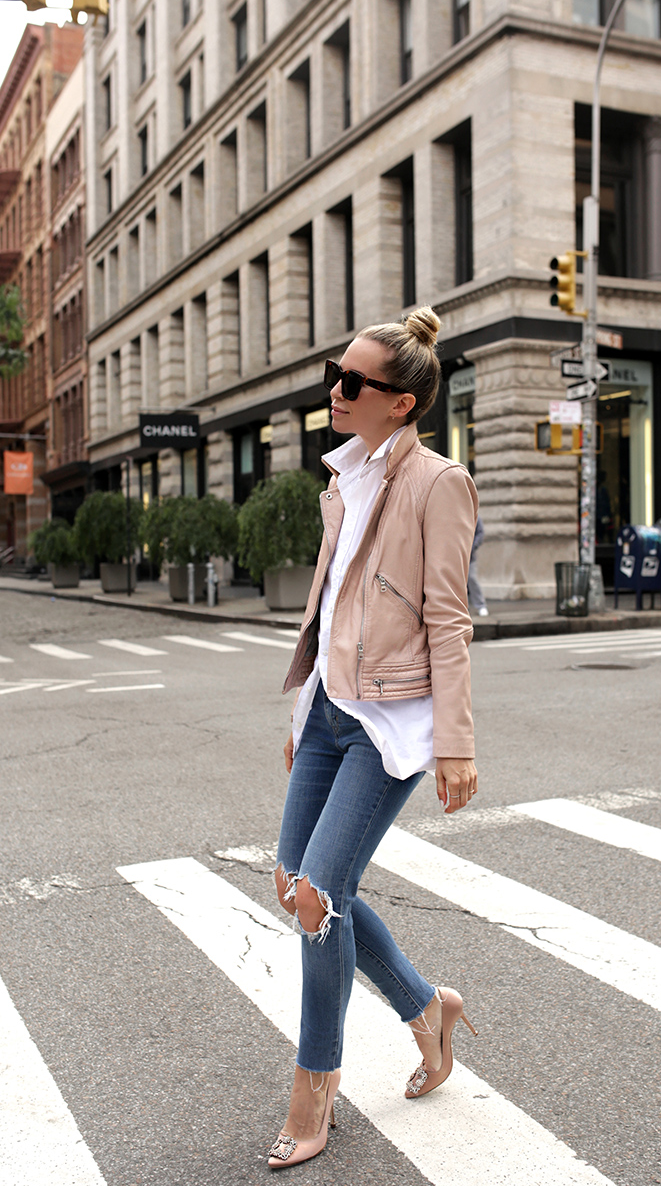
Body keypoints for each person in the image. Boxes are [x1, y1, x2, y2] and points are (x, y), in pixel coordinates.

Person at [268, 306, 479, 1170]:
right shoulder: (343, 476)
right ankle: (429, 1009)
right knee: (299, 885)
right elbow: (333, 606)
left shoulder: (439, 483)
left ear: (402, 404)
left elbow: (448, 617)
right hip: (330, 709)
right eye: (336, 373)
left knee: (320, 899)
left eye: (354, 382)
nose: (337, 390)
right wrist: (303, 709)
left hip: (390, 722)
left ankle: (315, 1086)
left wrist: (456, 742)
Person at [467, 514, 489, 617]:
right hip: (456, 557)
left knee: (471, 579)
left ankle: (481, 606)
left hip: (470, 557)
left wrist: (472, 546)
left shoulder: (474, 516)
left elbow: (480, 534)